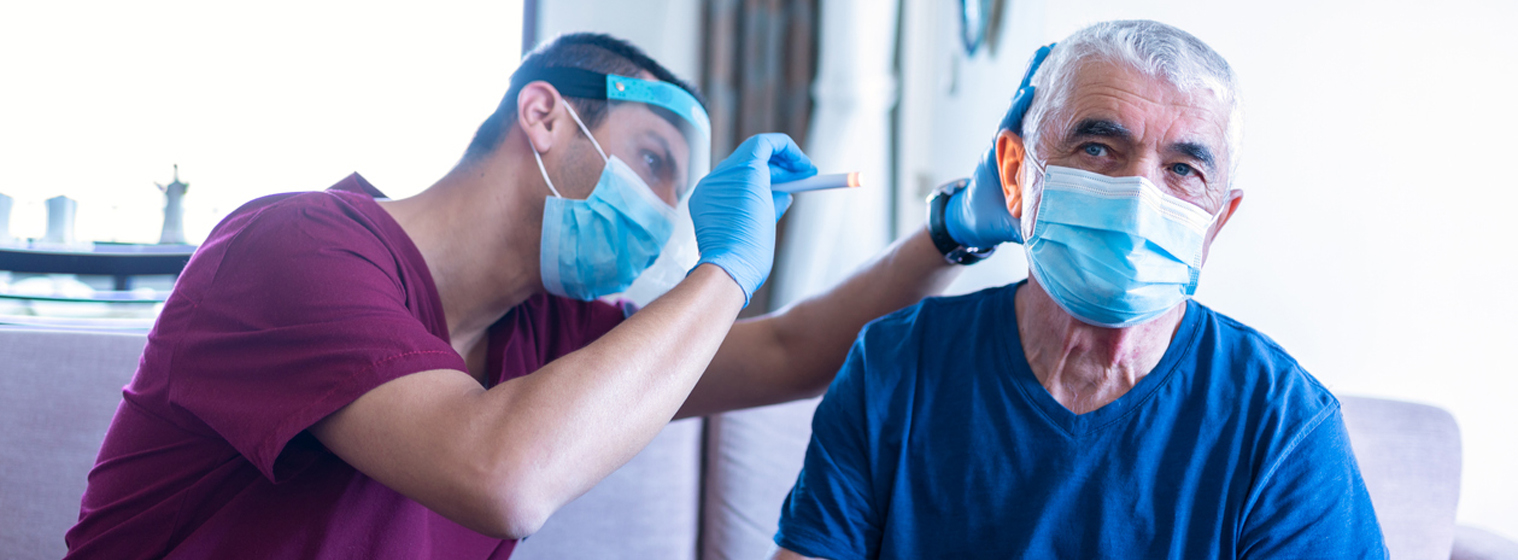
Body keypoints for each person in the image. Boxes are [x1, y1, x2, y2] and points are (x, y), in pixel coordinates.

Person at [63, 34, 1014, 559]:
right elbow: (502, 477)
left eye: (678, 193)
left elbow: (789, 350)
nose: (663, 211)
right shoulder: (293, 249)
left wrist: (951, 228)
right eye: (652, 163)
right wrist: (721, 270)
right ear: (546, 114)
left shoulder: (552, 332)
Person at [773, 20, 1388, 560]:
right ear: (1017, 174)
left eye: (1182, 170)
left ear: (1217, 222)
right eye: (1098, 148)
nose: (1139, 198)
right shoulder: (896, 368)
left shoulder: (1284, 426)